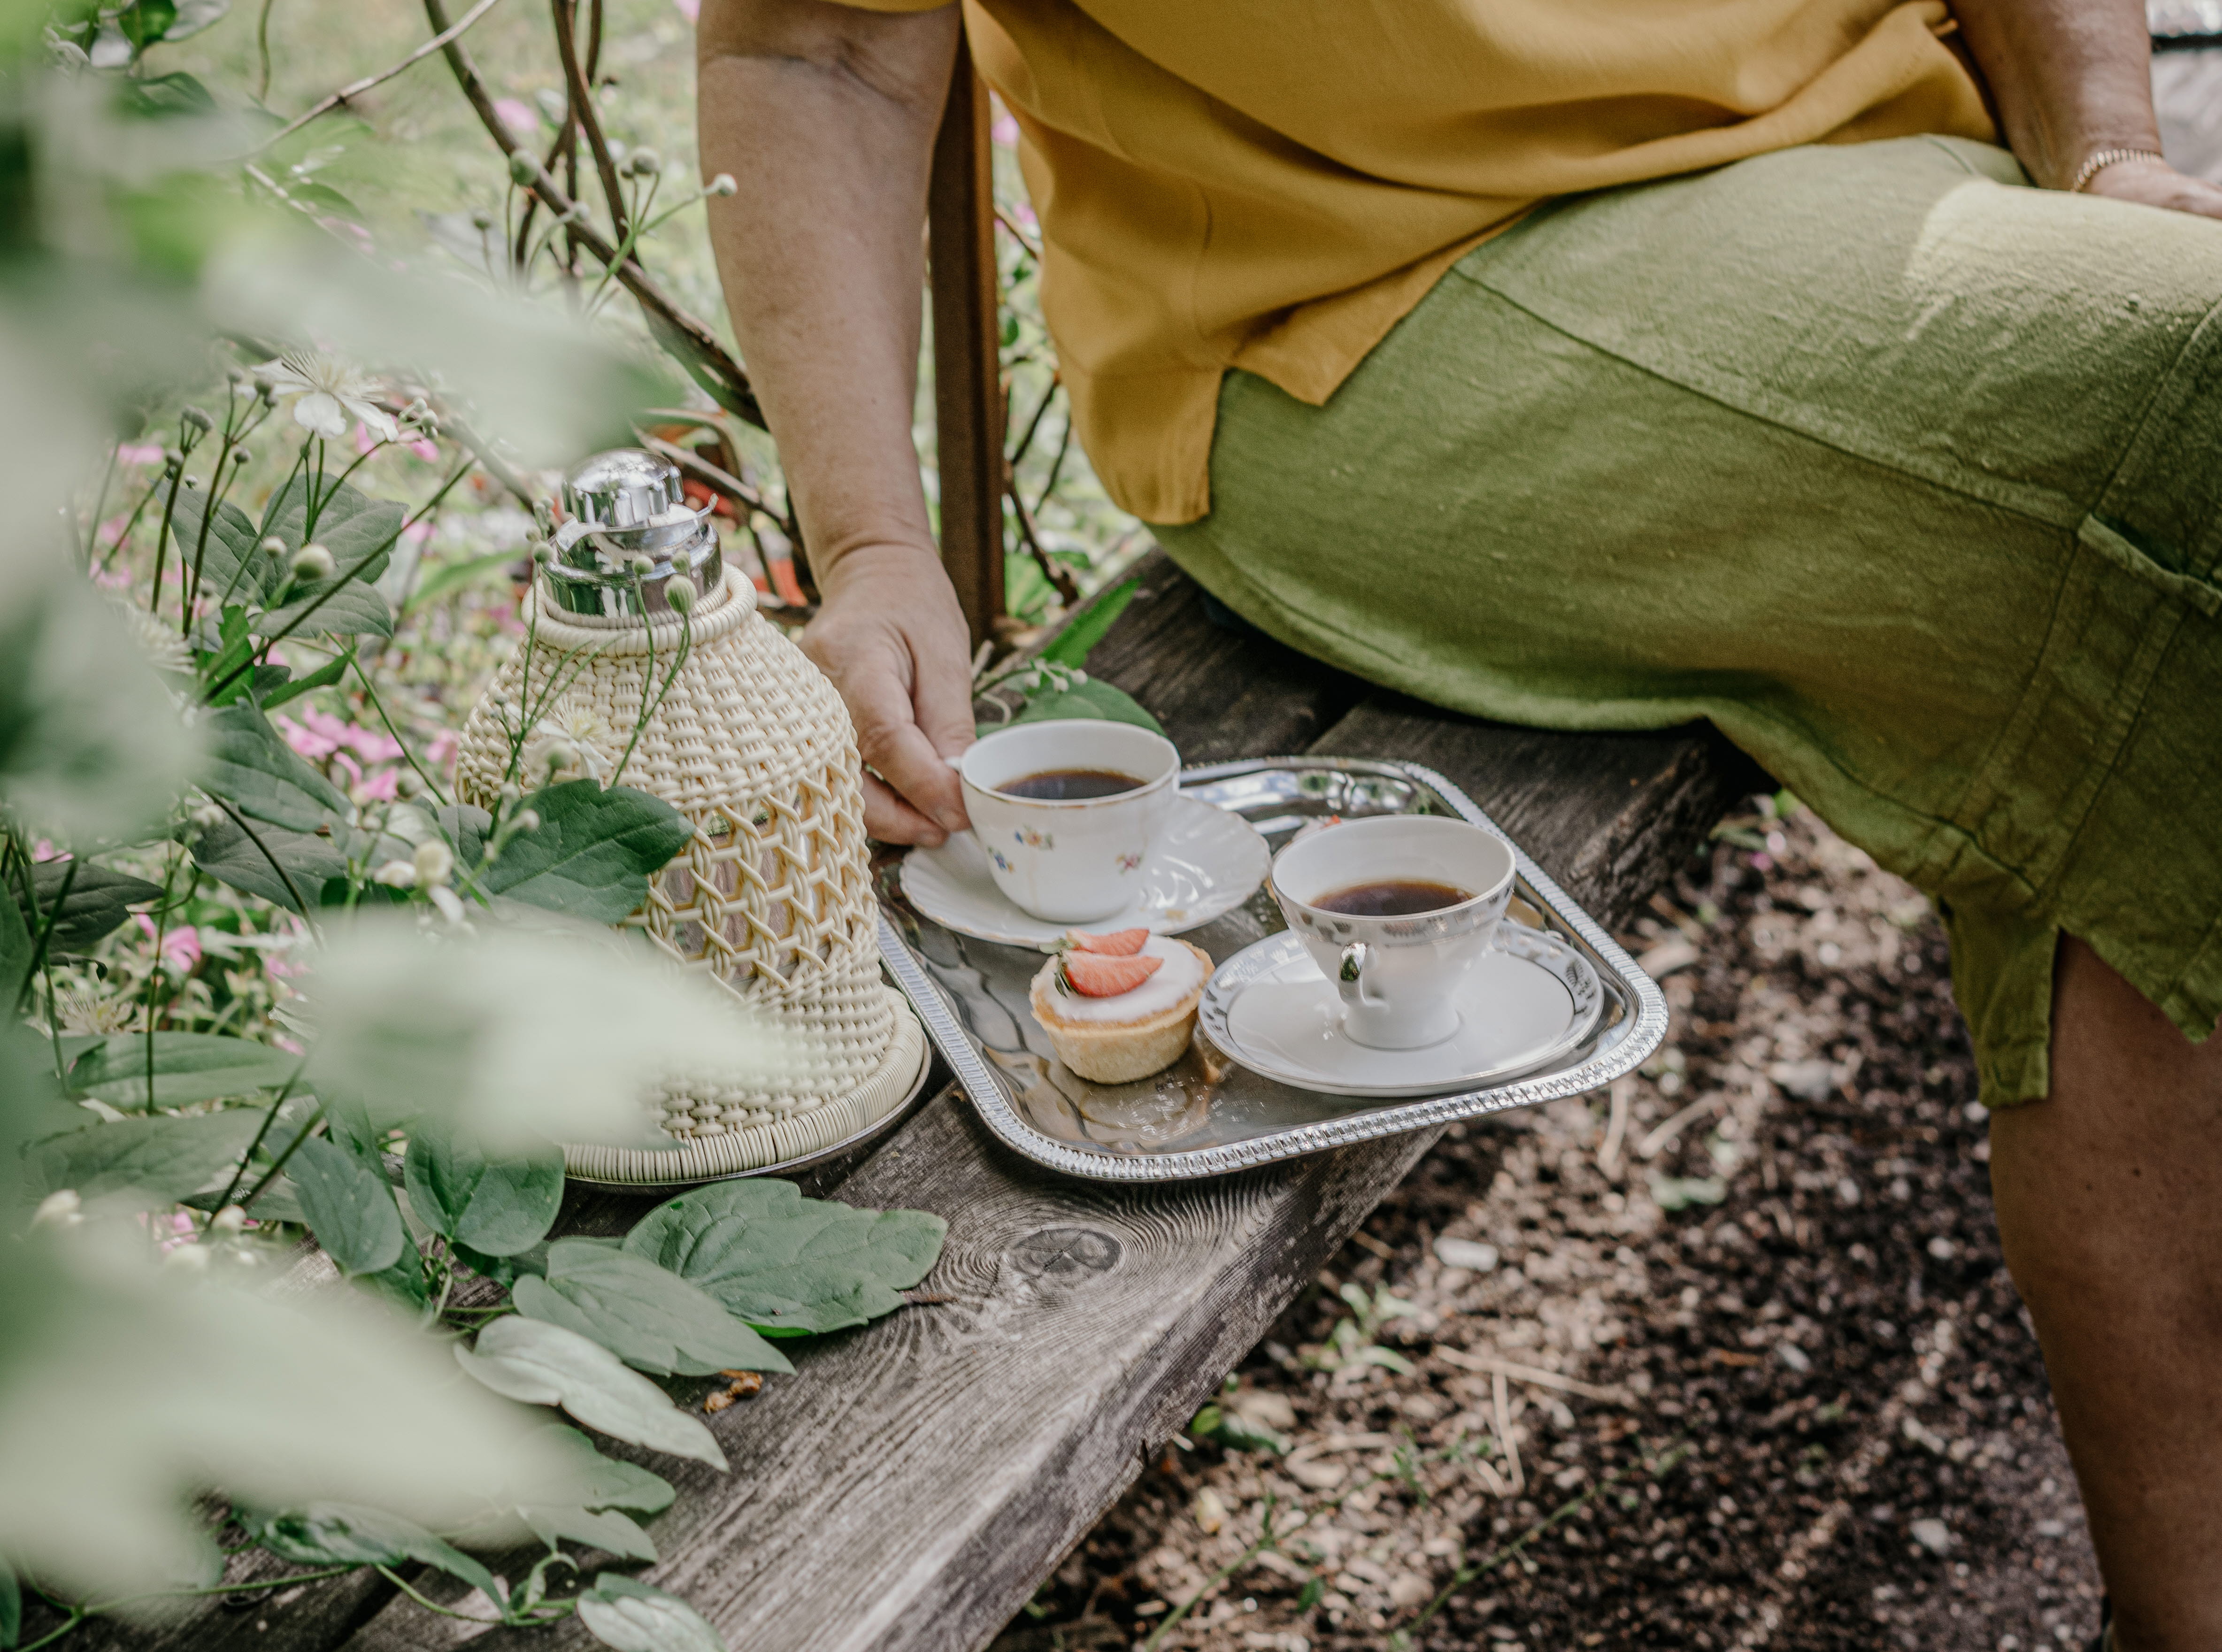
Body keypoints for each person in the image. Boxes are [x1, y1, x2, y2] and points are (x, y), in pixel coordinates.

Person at [694, 3, 2222, 1644]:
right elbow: (817, 44)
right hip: (1380, 291)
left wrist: (2106, 147)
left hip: (1905, 138)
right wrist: (873, 550)